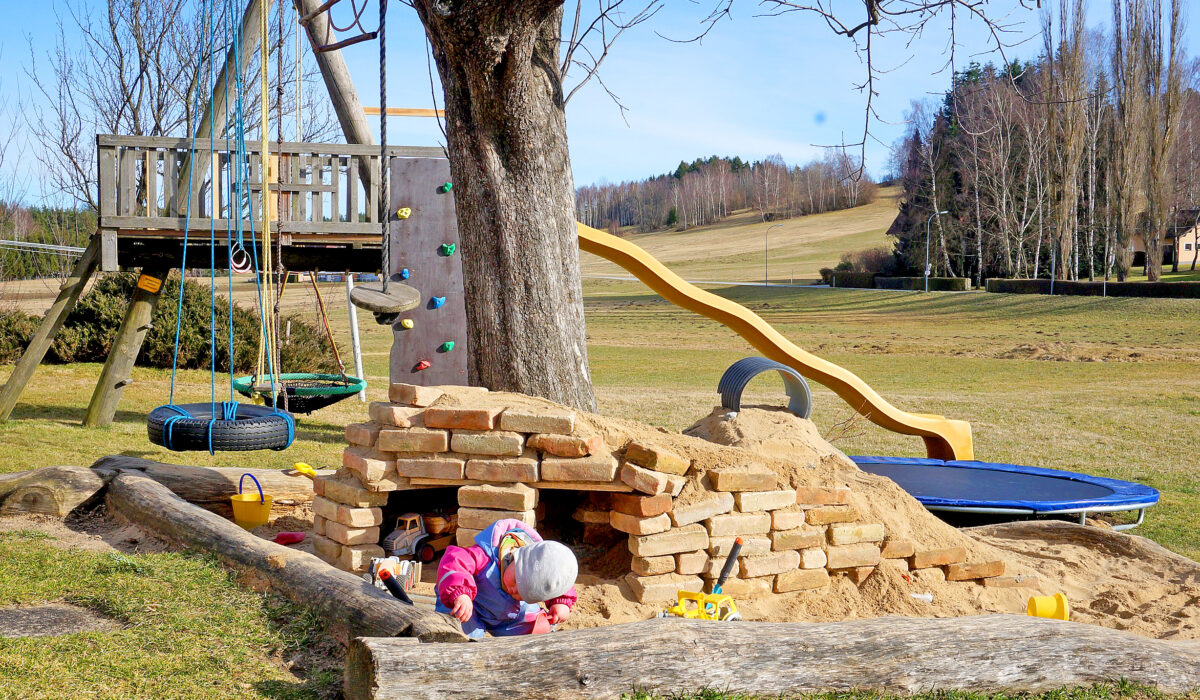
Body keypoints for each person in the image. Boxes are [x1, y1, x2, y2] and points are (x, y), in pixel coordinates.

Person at [435, 518, 578, 639]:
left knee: (536, 625)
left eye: (522, 593)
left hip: (507, 614)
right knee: (461, 630)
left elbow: (558, 578)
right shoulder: (487, 556)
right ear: (516, 557)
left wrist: (561, 602)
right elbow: (455, 560)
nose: (513, 589)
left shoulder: (545, 571)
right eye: (516, 580)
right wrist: (461, 594)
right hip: (471, 606)